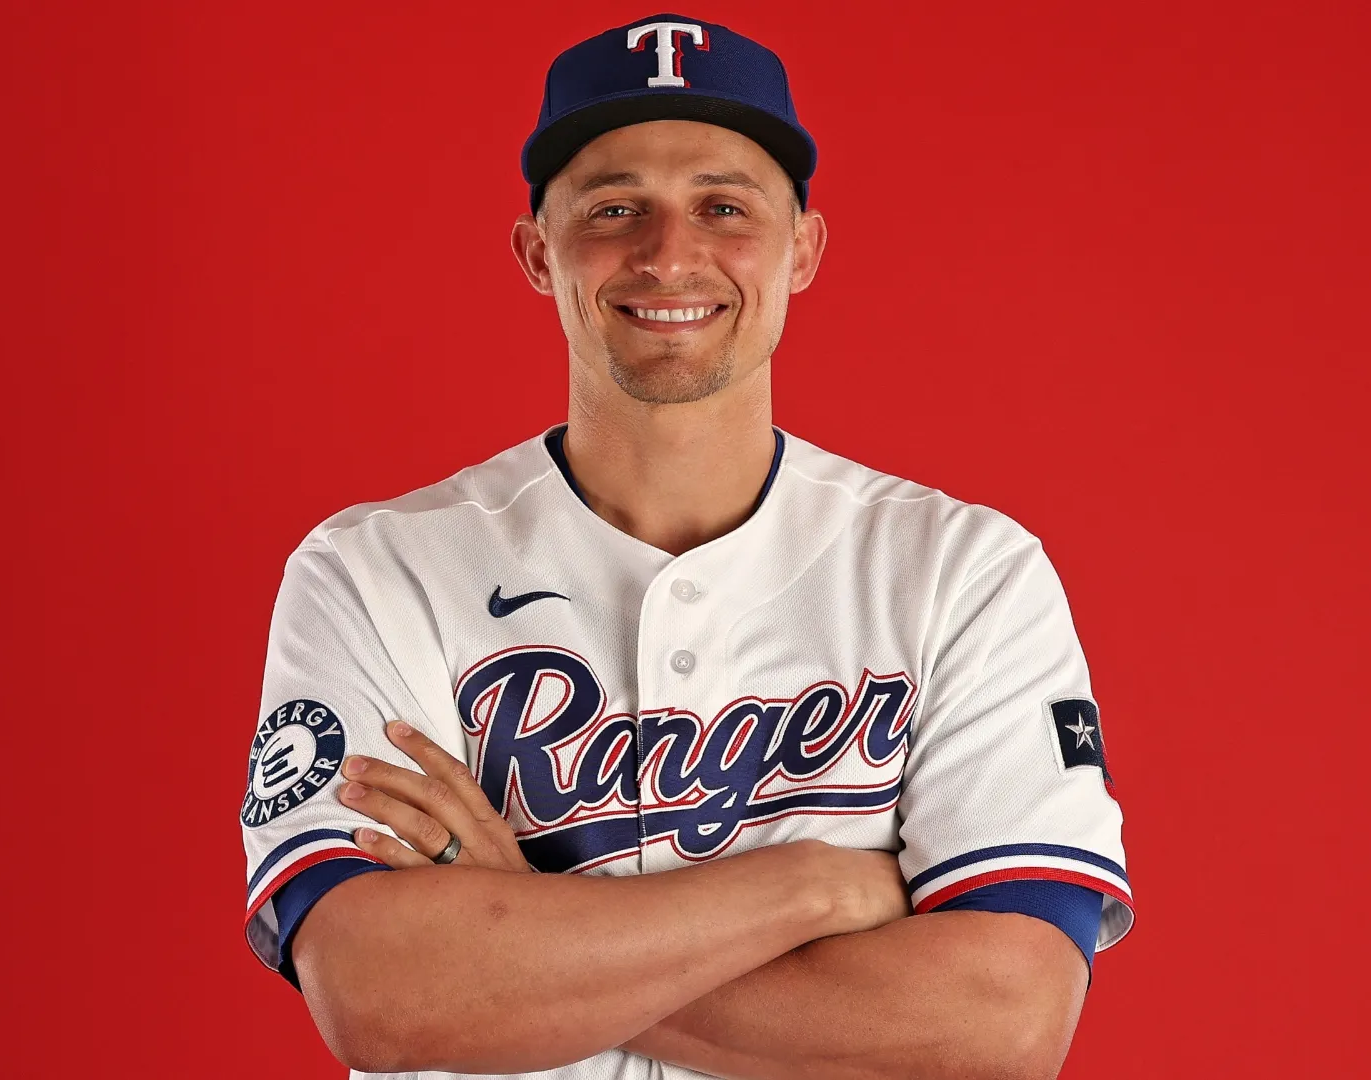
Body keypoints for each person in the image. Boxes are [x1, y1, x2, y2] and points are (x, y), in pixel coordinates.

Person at [239, 12, 1133, 1079]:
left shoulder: (963, 573)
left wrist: (524, 933)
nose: (669, 255)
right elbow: (384, 993)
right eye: (615, 209)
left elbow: (1002, 1023)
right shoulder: (372, 571)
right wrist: (809, 886)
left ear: (803, 250)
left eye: (724, 207)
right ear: (538, 253)